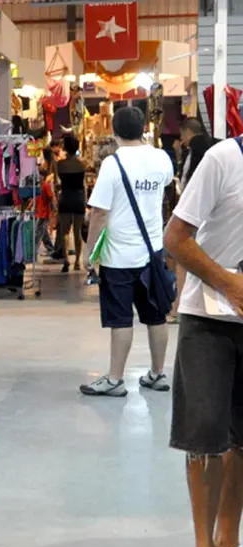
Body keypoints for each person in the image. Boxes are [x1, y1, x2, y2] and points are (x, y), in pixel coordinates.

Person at [164, 135, 243, 547]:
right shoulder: (223, 159)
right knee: (206, 432)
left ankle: (228, 538)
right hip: (209, 319)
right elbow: (176, 238)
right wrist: (228, 282)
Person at [80, 106, 173, 397]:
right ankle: (157, 373)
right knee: (156, 316)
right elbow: (165, 187)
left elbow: (99, 214)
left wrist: (88, 252)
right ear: (144, 128)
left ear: (114, 132)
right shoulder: (162, 158)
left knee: (120, 319)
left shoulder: (113, 163)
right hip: (152, 253)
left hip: (118, 257)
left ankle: (115, 379)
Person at [167, 118, 213, 323]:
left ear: (187, 132)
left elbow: (189, 181)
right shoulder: (206, 147)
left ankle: (178, 306)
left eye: (182, 135)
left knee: (180, 257)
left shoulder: (199, 149)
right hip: (201, 213)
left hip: (193, 214)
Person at [53, 135, 87, 272]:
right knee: (78, 232)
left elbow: (58, 183)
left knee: (64, 231)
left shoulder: (60, 164)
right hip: (78, 199)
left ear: (65, 148)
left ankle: (66, 259)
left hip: (65, 198)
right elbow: (83, 185)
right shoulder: (82, 163)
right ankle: (77, 262)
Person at [35, 147, 57, 254]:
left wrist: (54, 207)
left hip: (44, 212)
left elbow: (51, 197)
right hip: (41, 211)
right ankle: (50, 248)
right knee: (43, 231)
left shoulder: (44, 185)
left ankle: (34, 250)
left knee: (39, 231)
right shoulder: (41, 185)